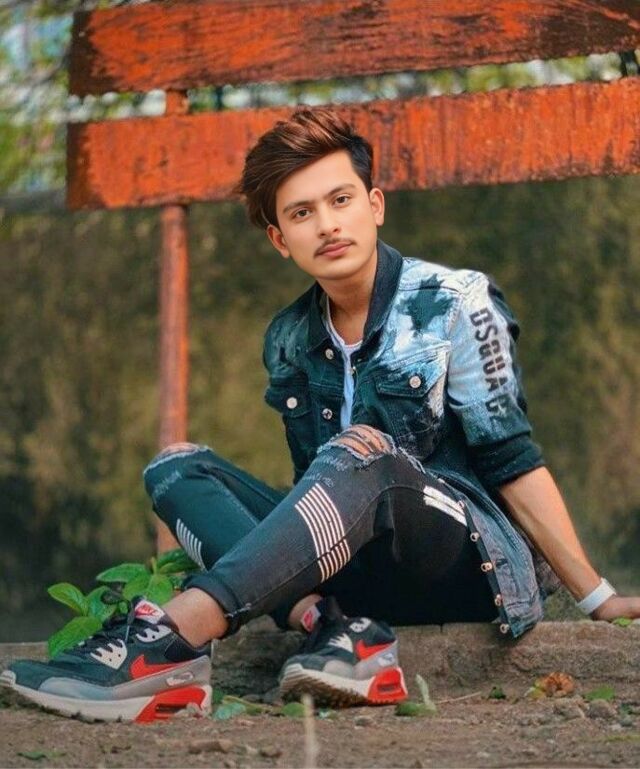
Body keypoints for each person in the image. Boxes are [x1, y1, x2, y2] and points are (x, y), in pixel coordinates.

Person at [3, 108, 639, 723]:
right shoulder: (288, 337)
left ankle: (172, 639)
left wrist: (597, 596)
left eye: (341, 200)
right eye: (302, 213)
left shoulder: (456, 303)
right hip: (355, 570)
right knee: (175, 469)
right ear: (280, 239)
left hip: (462, 564)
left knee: (364, 450)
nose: (328, 225)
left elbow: (513, 461)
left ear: (375, 205)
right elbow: (316, 495)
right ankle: (334, 627)